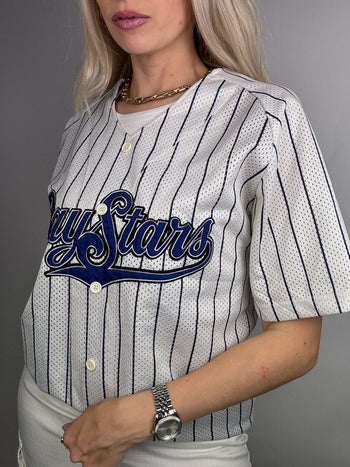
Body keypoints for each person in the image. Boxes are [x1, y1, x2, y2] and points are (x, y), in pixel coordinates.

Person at [17, 0, 350, 466]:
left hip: (177, 450)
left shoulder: (264, 121)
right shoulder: (83, 125)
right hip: (47, 420)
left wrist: (144, 413)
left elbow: (297, 341)